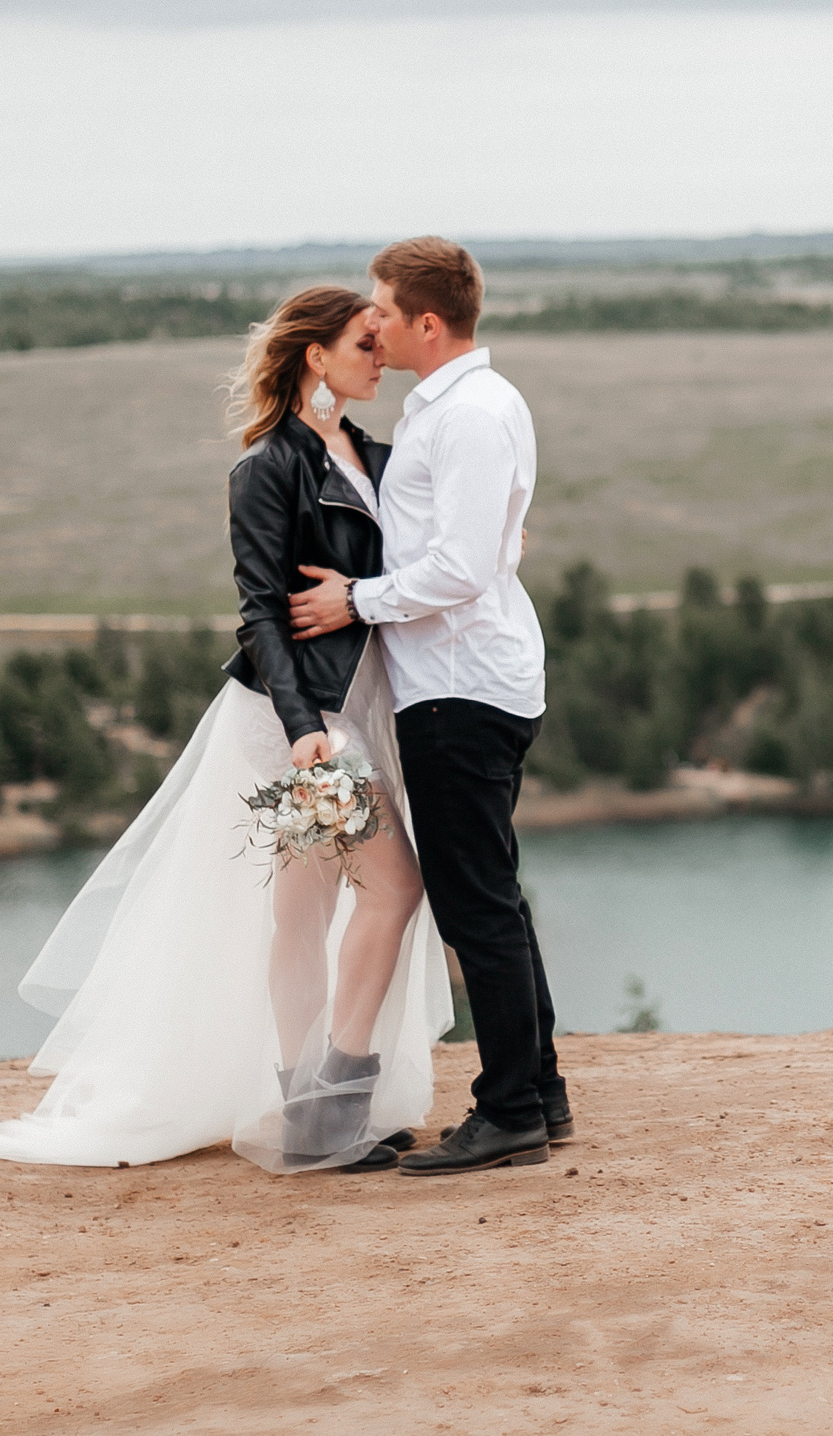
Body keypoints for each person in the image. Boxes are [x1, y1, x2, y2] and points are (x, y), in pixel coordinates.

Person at [0, 285, 451, 1174]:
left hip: (358, 710)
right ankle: (331, 1109)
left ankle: (311, 1108)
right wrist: (306, 730)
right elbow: (260, 615)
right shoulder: (268, 466)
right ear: (316, 354)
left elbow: (408, 567)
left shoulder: (370, 455)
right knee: (392, 889)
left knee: (301, 908)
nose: (382, 358)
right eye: (364, 344)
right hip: (296, 723)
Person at [287, 235, 566, 1176]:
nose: (375, 320)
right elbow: (482, 539)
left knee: (474, 904)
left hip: (460, 688)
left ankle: (511, 1108)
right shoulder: (455, 407)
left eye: (385, 310)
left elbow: (462, 564)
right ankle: (543, 1091)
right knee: (494, 895)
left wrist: (352, 599)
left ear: (428, 322)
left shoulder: (472, 415)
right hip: (459, 679)